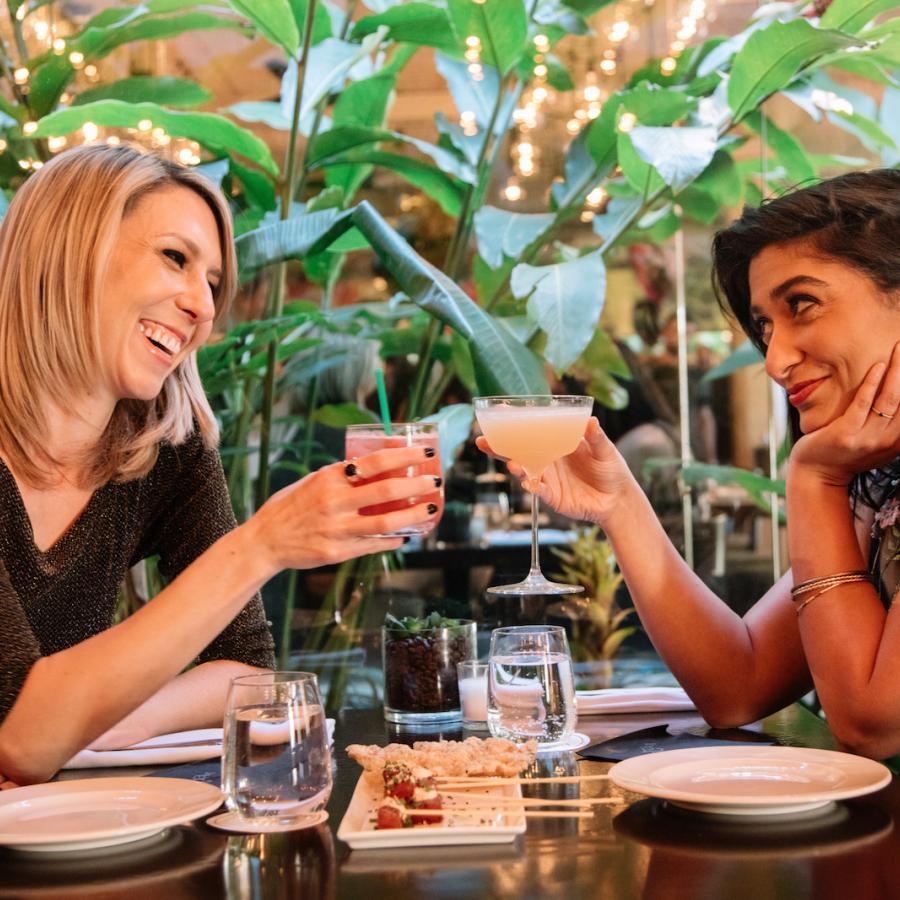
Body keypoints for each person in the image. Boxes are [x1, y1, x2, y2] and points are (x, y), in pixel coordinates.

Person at [0, 145, 439, 787]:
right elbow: (22, 737)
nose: (203, 308)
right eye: (175, 258)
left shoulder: (160, 455)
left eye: (211, 283)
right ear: (69, 253)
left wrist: (102, 717)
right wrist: (260, 545)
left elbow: (248, 671)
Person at [479, 169, 900, 760]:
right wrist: (619, 503)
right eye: (765, 326)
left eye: (801, 304)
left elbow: (873, 724)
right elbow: (739, 684)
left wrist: (814, 479)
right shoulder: (879, 485)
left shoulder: (840, 479)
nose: (775, 360)